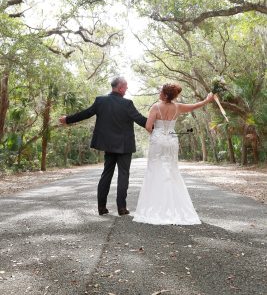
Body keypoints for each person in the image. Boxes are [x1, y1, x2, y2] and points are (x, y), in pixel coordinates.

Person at [59, 77, 147, 216]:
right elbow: (141, 120)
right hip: (125, 146)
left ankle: (102, 207)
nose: (127, 89)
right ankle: (121, 208)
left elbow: (85, 114)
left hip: (108, 145)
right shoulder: (127, 104)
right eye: (126, 87)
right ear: (120, 88)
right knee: (123, 176)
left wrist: (67, 119)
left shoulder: (100, 101)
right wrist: (158, 126)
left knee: (106, 174)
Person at [133, 84, 214, 225]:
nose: (159, 93)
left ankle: (154, 207)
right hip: (171, 140)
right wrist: (208, 100)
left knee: (154, 171)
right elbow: (195, 106)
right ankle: (177, 208)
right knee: (172, 171)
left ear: (165, 94)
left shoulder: (155, 107)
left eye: (161, 91)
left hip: (158, 140)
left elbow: (147, 126)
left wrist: (156, 134)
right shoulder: (178, 107)